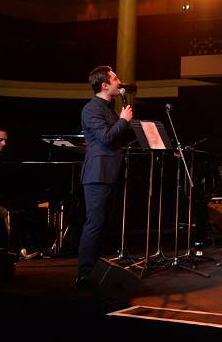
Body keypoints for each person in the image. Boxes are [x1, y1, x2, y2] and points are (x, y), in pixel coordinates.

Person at [76, 66, 133, 287]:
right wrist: (123, 121)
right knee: (95, 223)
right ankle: (84, 273)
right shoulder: (91, 109)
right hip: (98, 174)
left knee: (106, 223)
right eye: (115, 78)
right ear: (105, 85)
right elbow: (106, 138)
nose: (120, 81)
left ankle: (100, 269)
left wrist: (125, 124)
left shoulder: (108, 109)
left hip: (110, 171)